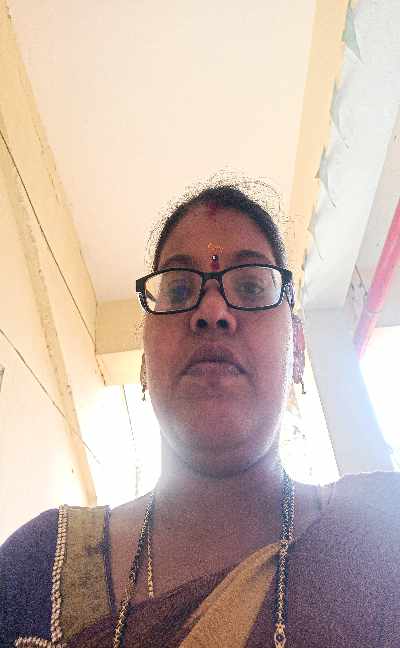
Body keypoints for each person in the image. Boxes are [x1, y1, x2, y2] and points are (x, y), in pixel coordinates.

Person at [1, 185, 399, 648]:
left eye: (250, 286)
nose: (212, 310)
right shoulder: (36, 565)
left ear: (297, 350)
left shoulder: (383, 535)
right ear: (144, 362)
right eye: (179, 289)